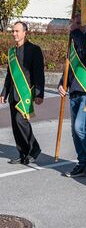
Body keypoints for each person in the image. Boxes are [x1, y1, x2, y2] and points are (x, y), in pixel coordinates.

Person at [58, 14, 86, 177]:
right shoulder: (74, 43)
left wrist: (75, 33)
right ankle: (82, 163)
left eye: (78, 23)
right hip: (74, 91)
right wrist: (62, 84)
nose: (74, 26)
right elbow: (69, 67)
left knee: (79, 127)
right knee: (74, 131)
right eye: (73, 23)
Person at [0, 21, 44, 164]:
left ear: (25, 33)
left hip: (26, 92)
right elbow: (10, 75)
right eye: (13, 31)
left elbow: (39, 73)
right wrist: (4, 93)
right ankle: (22, 152)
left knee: (21, 120)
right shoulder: (12, 52)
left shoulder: (34, 49)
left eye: (17, 31)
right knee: (15, 123)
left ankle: (34, 148)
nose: (14, 34)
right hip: (13, 93)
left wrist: (39, 93)